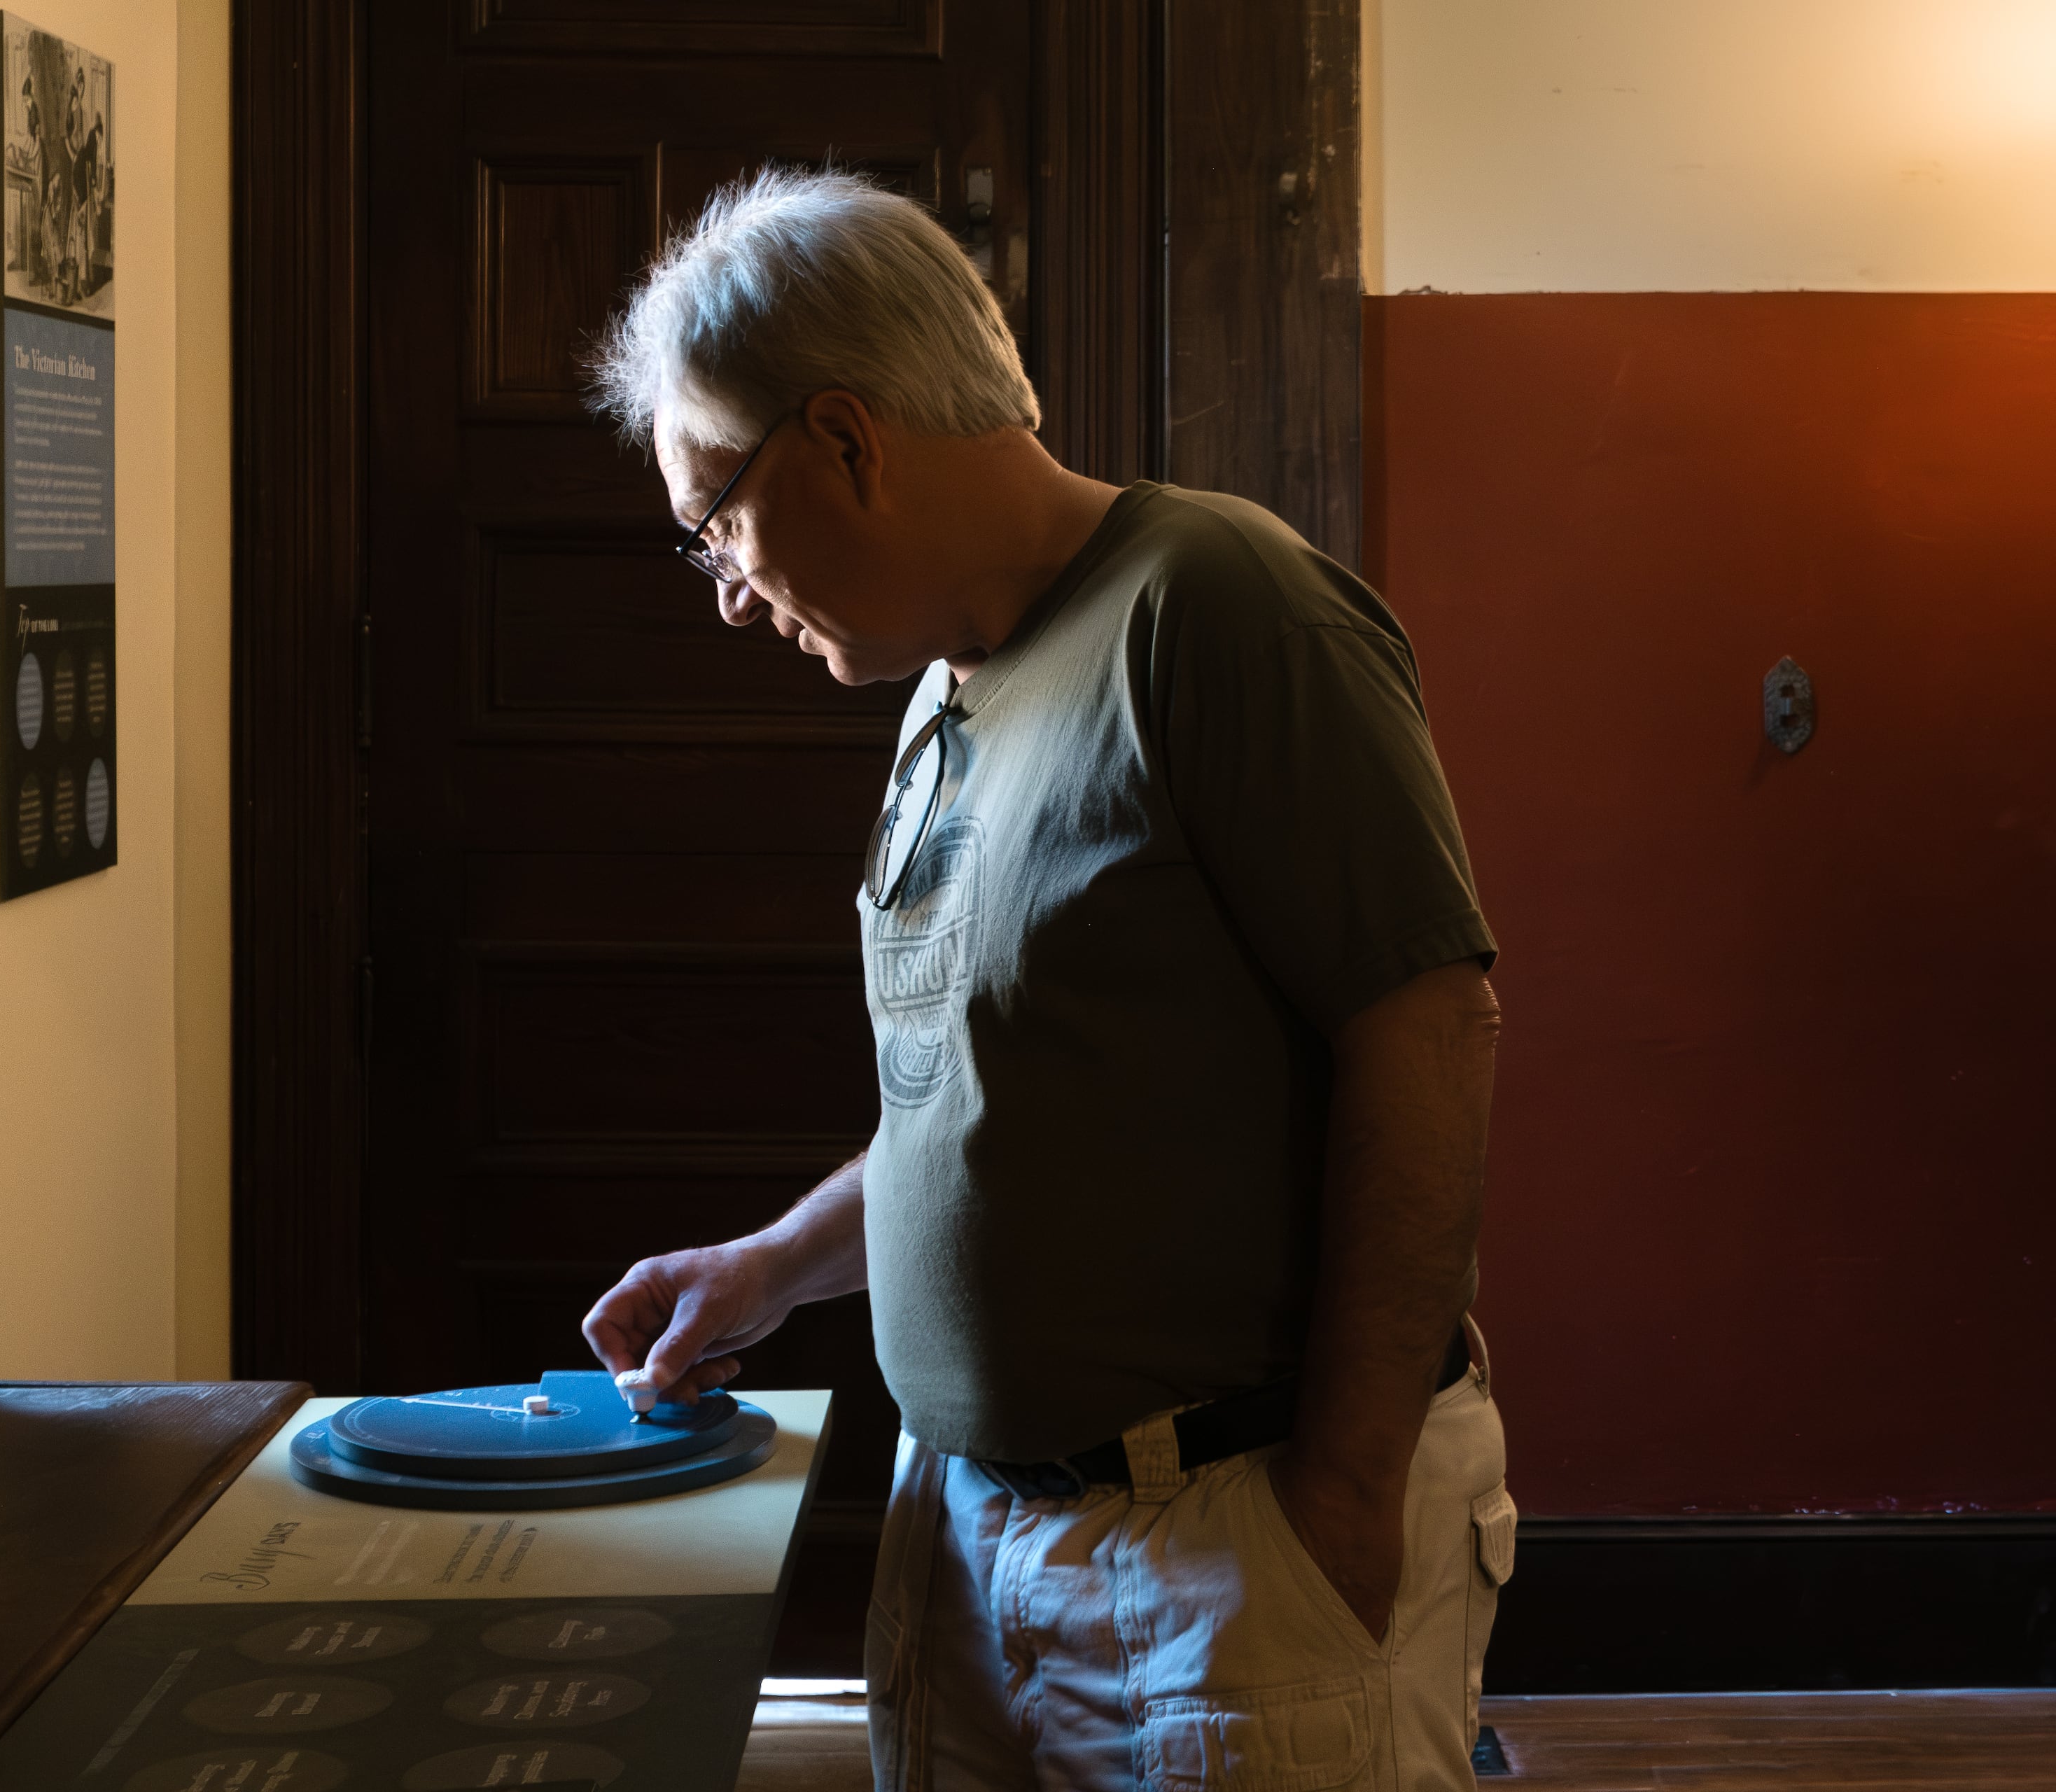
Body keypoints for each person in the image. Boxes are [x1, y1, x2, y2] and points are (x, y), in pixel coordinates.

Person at [581, 167, 1513, 1792]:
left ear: (850, 439)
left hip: (1225, 1530)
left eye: (717, 517)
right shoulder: (943, 685)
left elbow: (1429, 1027)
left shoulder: (1218, 605)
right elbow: (987, 1106)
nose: (727, 582)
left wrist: (1346, 1496)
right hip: (969, 1526)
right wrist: (773, 1265)